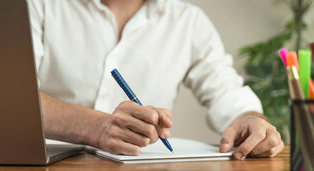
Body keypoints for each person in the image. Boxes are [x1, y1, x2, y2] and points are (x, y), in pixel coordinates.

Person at [28, 0, 284, 159]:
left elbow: (229, 96)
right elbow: (11, 100)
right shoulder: (37, 4)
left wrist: (253, 122)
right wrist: (98, 127)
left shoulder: (188, 21)